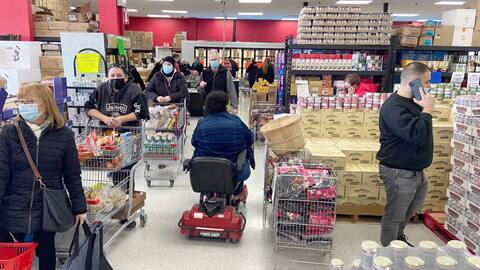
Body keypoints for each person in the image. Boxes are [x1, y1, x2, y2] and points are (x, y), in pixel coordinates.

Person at [0, 83, 87, 270]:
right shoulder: (10, 132)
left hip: (47, 207)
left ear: (45, 104)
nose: (23, 105)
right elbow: (2, 173)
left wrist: (80, 207)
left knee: (46, 251)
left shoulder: (64, 136)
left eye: (29, 101)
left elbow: (72, 175)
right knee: (14, 256)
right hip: (14, 205)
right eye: (21, 101)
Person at [376, 62, 435, 247]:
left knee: (408, 212)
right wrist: (427, 110)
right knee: (395, 215)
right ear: (414, 84)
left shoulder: (413, 103)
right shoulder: (394, 107)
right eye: (427, 82)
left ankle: (398, 241)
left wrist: (423, 109)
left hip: (415, 171)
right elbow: (418, 135)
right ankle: (388, 254)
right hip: (398, 172)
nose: (429, 87)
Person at [192, 91, 255, 201]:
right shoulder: (236, 121)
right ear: (225, 105)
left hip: (205, 170)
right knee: (242, 156)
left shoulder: (202, 123)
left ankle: (207, 192)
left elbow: (194, 142)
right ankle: (238, 192)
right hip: (232, 169)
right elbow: (250, 138)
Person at [85, 64, 149, 128]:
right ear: (108, 77)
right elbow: (89, 107)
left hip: (130, 131)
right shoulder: (101, 89)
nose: (115, 78)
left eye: (119, 75)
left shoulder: (134, 89)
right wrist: (105, 119)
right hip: (105, 132)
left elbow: (142, 112)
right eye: (112, 76)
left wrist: (120, 119)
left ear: (126, 77)